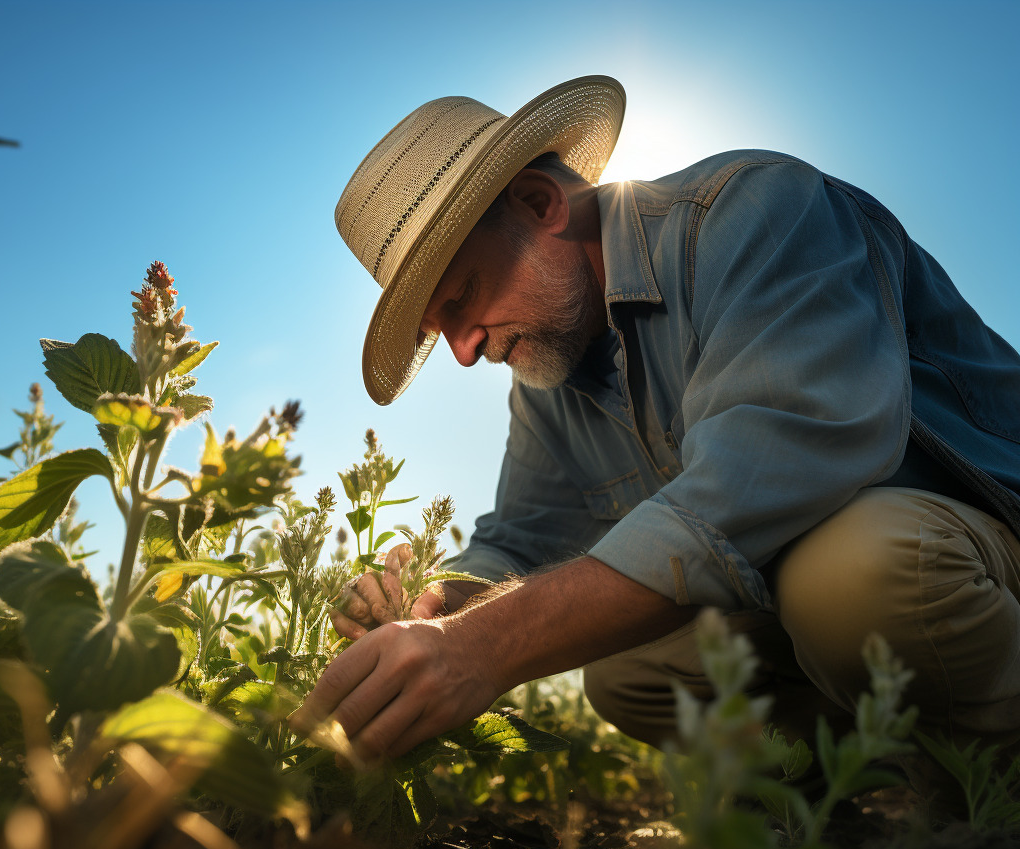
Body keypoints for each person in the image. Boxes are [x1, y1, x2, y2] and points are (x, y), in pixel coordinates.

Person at [291, 76, 1020, 763]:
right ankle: (853, 802)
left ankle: (987, 803)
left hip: (986, 538)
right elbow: (521, 537)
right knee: (629, 675)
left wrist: (482, 646)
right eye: (437, 331)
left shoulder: (754, 213)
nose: (463, 350)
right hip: (843, 601)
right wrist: (440, 597)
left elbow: (757, 478)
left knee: (854, 577)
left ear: (541, 203)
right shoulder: (549, 376)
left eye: (461, 301)